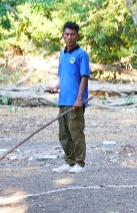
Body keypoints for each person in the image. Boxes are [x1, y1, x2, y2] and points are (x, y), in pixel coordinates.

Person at [46, 21, 90, 173]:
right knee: (63, 134)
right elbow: (63, 76)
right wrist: (55, 88)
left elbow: (84, 77)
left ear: (77, 36)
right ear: (62, 35)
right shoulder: (62, 55)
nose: (69, 37)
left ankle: (80, 163)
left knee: (76, 132)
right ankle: (69, 162)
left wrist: (79, 99)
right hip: (63, 100)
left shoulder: (81, 55)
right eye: (67, 34)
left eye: (72, 34)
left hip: (75, 102)